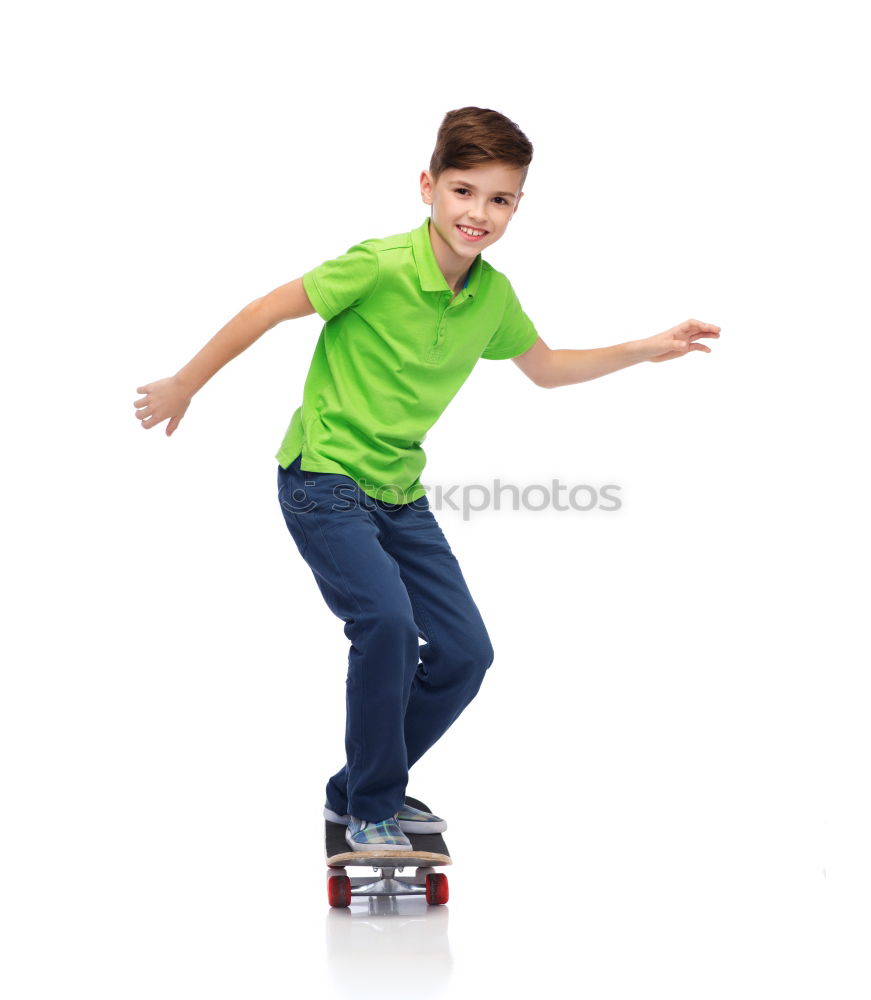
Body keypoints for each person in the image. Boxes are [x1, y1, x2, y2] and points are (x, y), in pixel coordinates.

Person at [133, 106, 721, 853]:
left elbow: (547, 369)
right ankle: (373, 805)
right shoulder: (376, 266)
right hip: (323, 478)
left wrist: (645, 348)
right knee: (384, 624)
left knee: (466, 651)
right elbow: (265, 311)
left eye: (499, 198)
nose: (479, 213)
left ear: (516, 207)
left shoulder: (492, 298)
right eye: (464, 191)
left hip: (399, 493)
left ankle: (358, 787)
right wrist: (186, 384)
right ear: (428, 187)